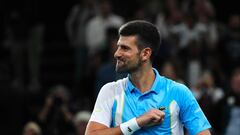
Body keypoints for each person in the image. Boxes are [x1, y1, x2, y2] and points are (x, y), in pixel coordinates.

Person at [85, 20, 211, 135]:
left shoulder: (178, 92)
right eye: (118, 47)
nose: (117, 53)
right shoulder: (110, 91)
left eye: (125, 48)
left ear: (145, 54)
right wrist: (138, 122)